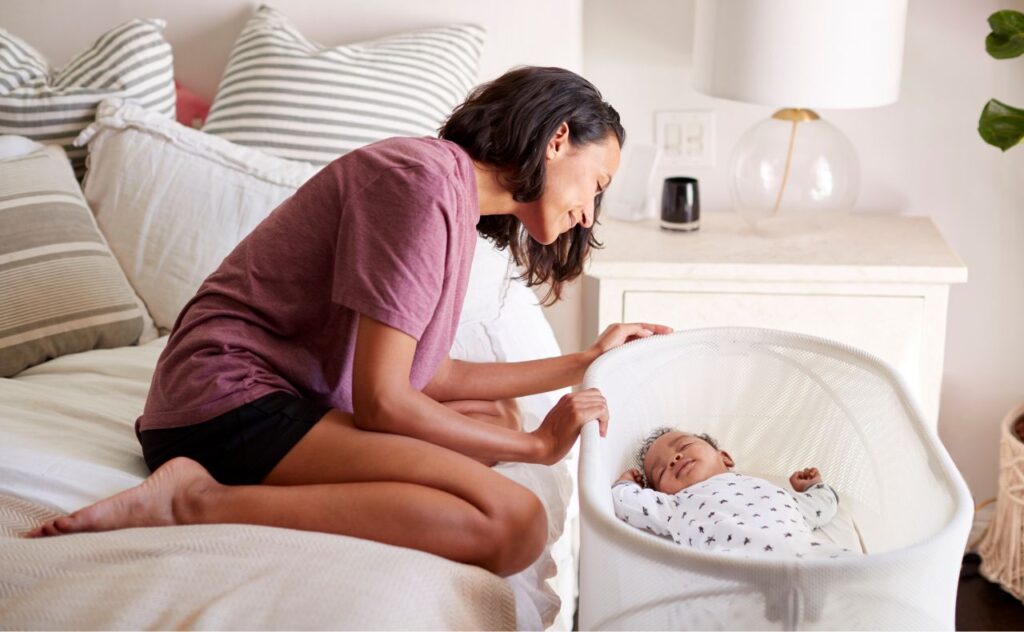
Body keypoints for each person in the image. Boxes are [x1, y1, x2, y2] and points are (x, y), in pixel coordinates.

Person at [26, 66, 672, 577]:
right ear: (559, 138)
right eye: (597, 181)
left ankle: (205, 490)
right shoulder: (419, 185)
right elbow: (385, 402)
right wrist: (537, 446)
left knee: (492, 417)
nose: (590, 210)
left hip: (271, 401)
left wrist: (583, 361)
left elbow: (430, 373)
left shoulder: (448, 198)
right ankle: (192, 501)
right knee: (515, 524)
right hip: (222, 407)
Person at [612, 427, 855, 559]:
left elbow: (821, 506)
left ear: (725, 458)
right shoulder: (675, 505)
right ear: (660, 492)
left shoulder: (771, 489)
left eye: (684, 447)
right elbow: (624, 503)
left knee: (853, 571)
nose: (675, 459)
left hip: (803, 554)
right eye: (661, 470)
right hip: (732, 568)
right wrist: (627, 485)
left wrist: (813, 486)